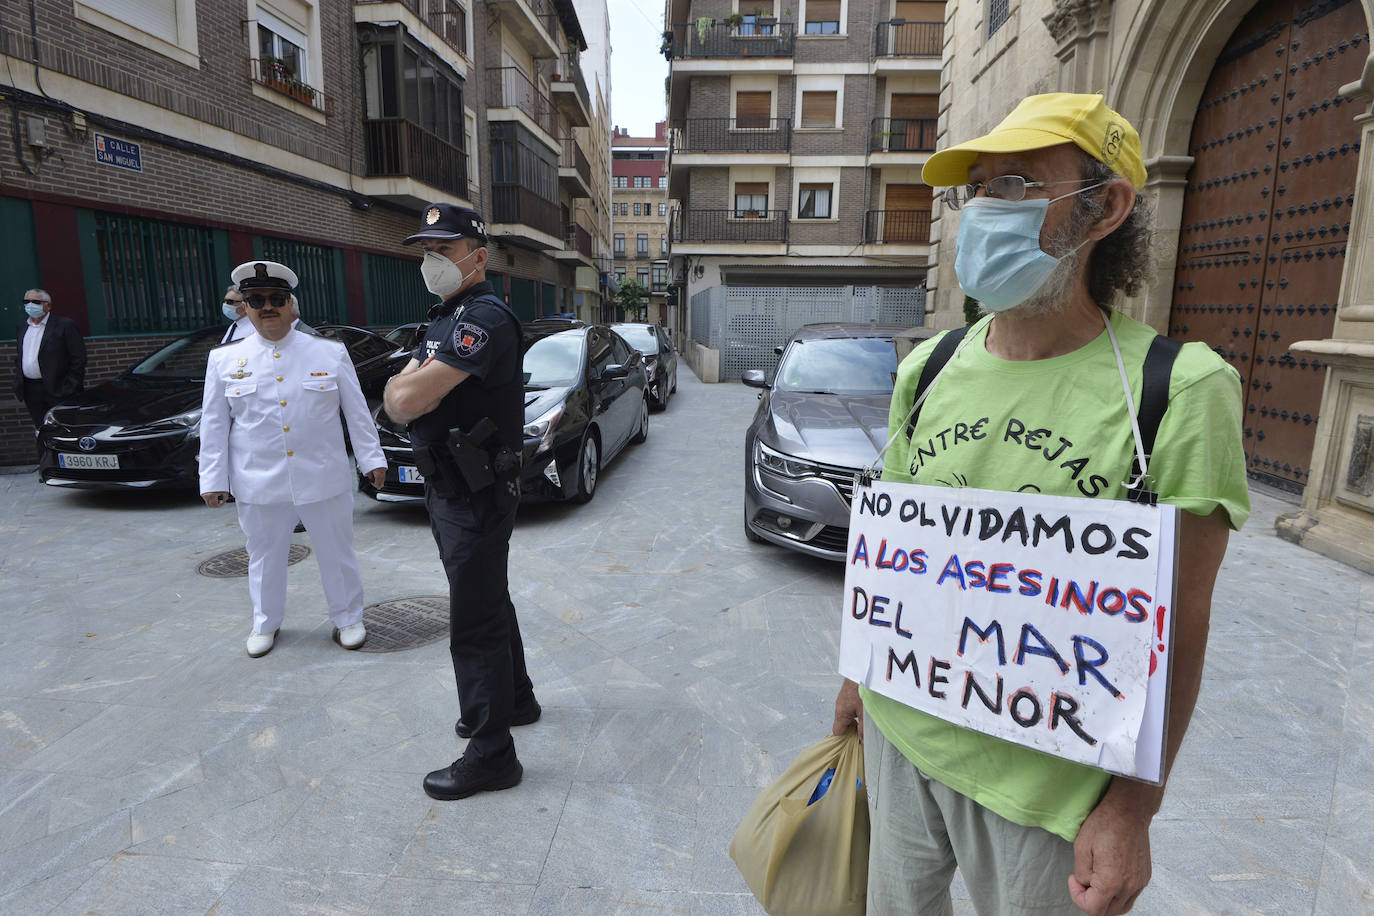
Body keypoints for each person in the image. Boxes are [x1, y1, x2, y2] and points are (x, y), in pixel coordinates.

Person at [830, 94, 1250, 916]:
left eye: (1017, 183)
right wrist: (857, 674)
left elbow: (1182, 623)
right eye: (977, 187)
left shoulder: (1181, 390)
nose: (984, 210)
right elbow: (895, 552)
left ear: (1105, 208)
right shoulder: (931, 368)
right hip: (899, 730)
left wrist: (1133, 805)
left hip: (1046, 788)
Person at [383, 203, 538, 801]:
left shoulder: (482, 318)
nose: (430, 262)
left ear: (479, 256)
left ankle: (492, 753)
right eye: (425, 251)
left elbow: (406, 399)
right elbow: (407, 389)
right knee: (488, 597)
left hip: (473, 494)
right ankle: (515, 700)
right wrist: (408, 384)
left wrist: (406, 386)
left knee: (473, 624)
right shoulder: (449, 315)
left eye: (442, 251)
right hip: (455, 487)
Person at [199, 260, 387, 658]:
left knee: (337, 552)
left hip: (323, 474)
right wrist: (212, 479)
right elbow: (215, 425)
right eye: (256, 300)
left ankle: (348, 618)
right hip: (258, 479)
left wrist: (372, 459)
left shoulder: (329, 352)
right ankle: (265, 622)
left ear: (291, 304)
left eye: (276, 299)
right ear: (244, 307)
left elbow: (356, 412)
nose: (267, 307)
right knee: (264, 556)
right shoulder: (224, 360)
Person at [12, 288, 86, 432]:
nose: (30, 305)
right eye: (27, 301)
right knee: (42, 429)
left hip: (59, 388)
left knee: (65, 428)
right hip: (31, 390)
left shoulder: (65, 325)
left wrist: (70, 386)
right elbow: (20, 356)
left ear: (48, 305)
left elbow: (78, 358)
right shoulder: (22, 327)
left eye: (36, 302)